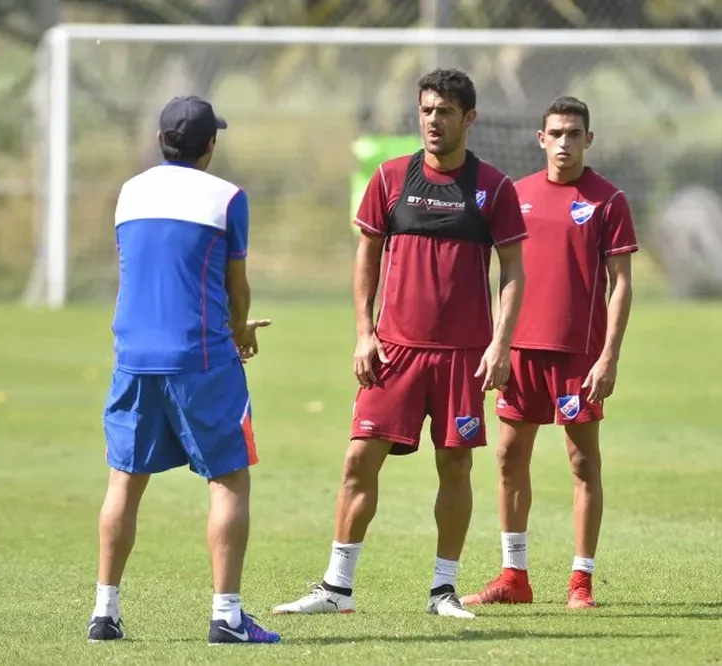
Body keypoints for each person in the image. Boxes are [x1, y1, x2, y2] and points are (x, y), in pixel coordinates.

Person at [271, 69, 527, 619]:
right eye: (427, 110)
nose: (434, 120)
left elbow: (512, 271)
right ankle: (336, 588)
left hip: (462, 356)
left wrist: (501, 345)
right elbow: (366, 257)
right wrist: (364, 333)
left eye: (446, 112)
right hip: (394, 352)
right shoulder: (389, 178)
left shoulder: (494, 187)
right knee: (358, 459)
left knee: (455, 467)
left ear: (469, 119)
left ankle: (443, 591)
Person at [86, 95, 280, 645]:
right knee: (230, 477)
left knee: (124, 480)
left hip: (133, 357)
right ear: (210, 145)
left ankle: (105, 612)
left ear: (160, 140)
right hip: (201, 358)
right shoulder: (228, 198)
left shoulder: (129, 192)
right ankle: (227, 617)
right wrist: (239, 331)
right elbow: (236, 287)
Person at [462, 96, 637, 610]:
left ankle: (581, 581)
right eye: (555, 133)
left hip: (578, 357)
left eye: (574, 134)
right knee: (508, 456)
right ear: (541, 140)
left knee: (582, 462)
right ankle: (513, 576)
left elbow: (621, 285)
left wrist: (609, 356)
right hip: (520, 352)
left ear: (589, 140)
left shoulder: (608, 200)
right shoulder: (517, 195)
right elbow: (496, 273)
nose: (564, 142)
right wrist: (497, 343)